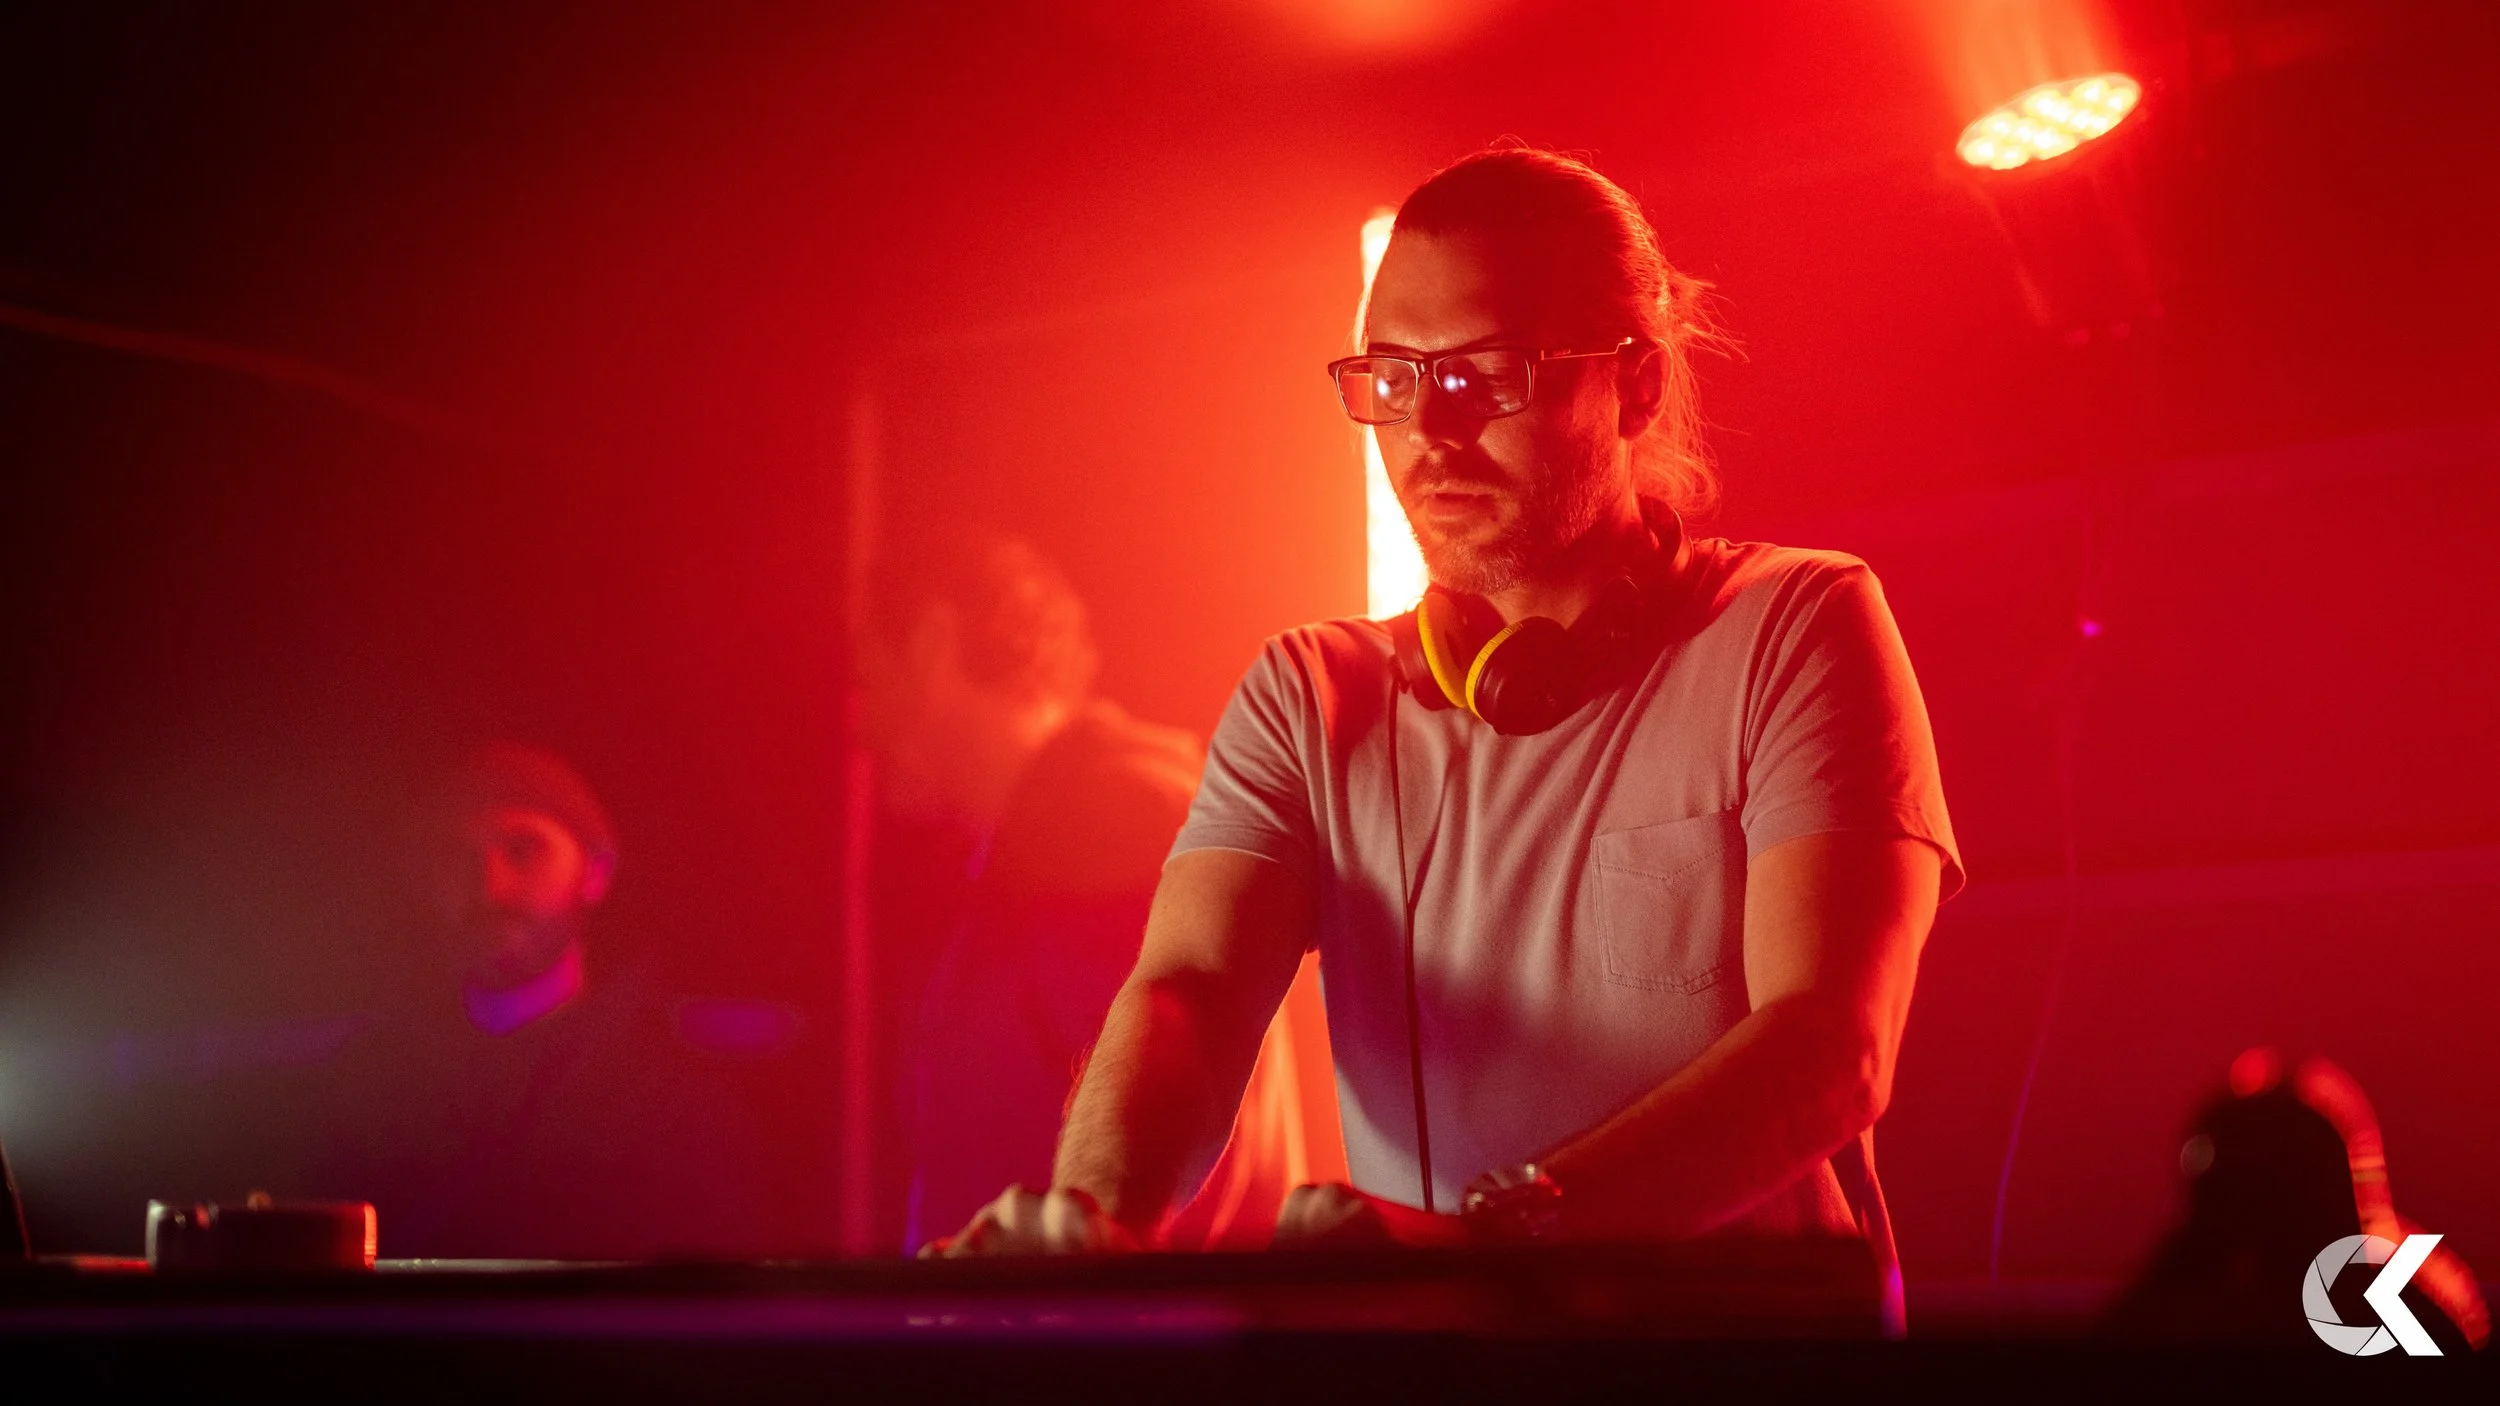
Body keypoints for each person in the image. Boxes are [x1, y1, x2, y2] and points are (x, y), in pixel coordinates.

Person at [933, 147, 1964, 1316]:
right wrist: (1095, 1221)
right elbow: (1190, 988)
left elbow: (1830, 1048)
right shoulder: (1306, 691)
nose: (1428, 429)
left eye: (1488, 372)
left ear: (1632, 384)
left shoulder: (1795, 623)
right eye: (1393, 376)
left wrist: (1492, 1237)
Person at [861, 530, 1341, 1254]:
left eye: (864, 675)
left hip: (1124, 1349)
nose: (859, 721)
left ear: (932, 645)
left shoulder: (1098, 820)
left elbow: (1172, 1051)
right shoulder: (1059, 833)